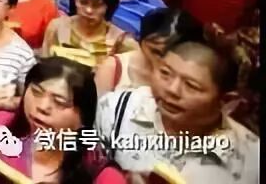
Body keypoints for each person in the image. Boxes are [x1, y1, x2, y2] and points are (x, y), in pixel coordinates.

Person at [95, 38, 259, 183]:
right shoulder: (117, 108)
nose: (172, 90)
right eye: (165, 73)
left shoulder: (252, 161)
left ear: (226, 101)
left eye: (191, 86)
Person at [0, 57, 126, 184]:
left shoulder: (103, 175)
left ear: (82, 117)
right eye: (36, 92)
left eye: (59, 102)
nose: (42, 107)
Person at [94, 8, 203, 96]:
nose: (163, 59)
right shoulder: (113, 68)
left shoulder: (190, 79)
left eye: (171, 53)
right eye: (155, 51)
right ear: (141, 42)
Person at [41, 0, 135, 65]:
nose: (88, 10)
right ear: (74, 0)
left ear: (109, 6)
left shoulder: (121, 41)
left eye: (97, 5)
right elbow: (44, 67)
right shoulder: (57, 28)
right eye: (83, 2)